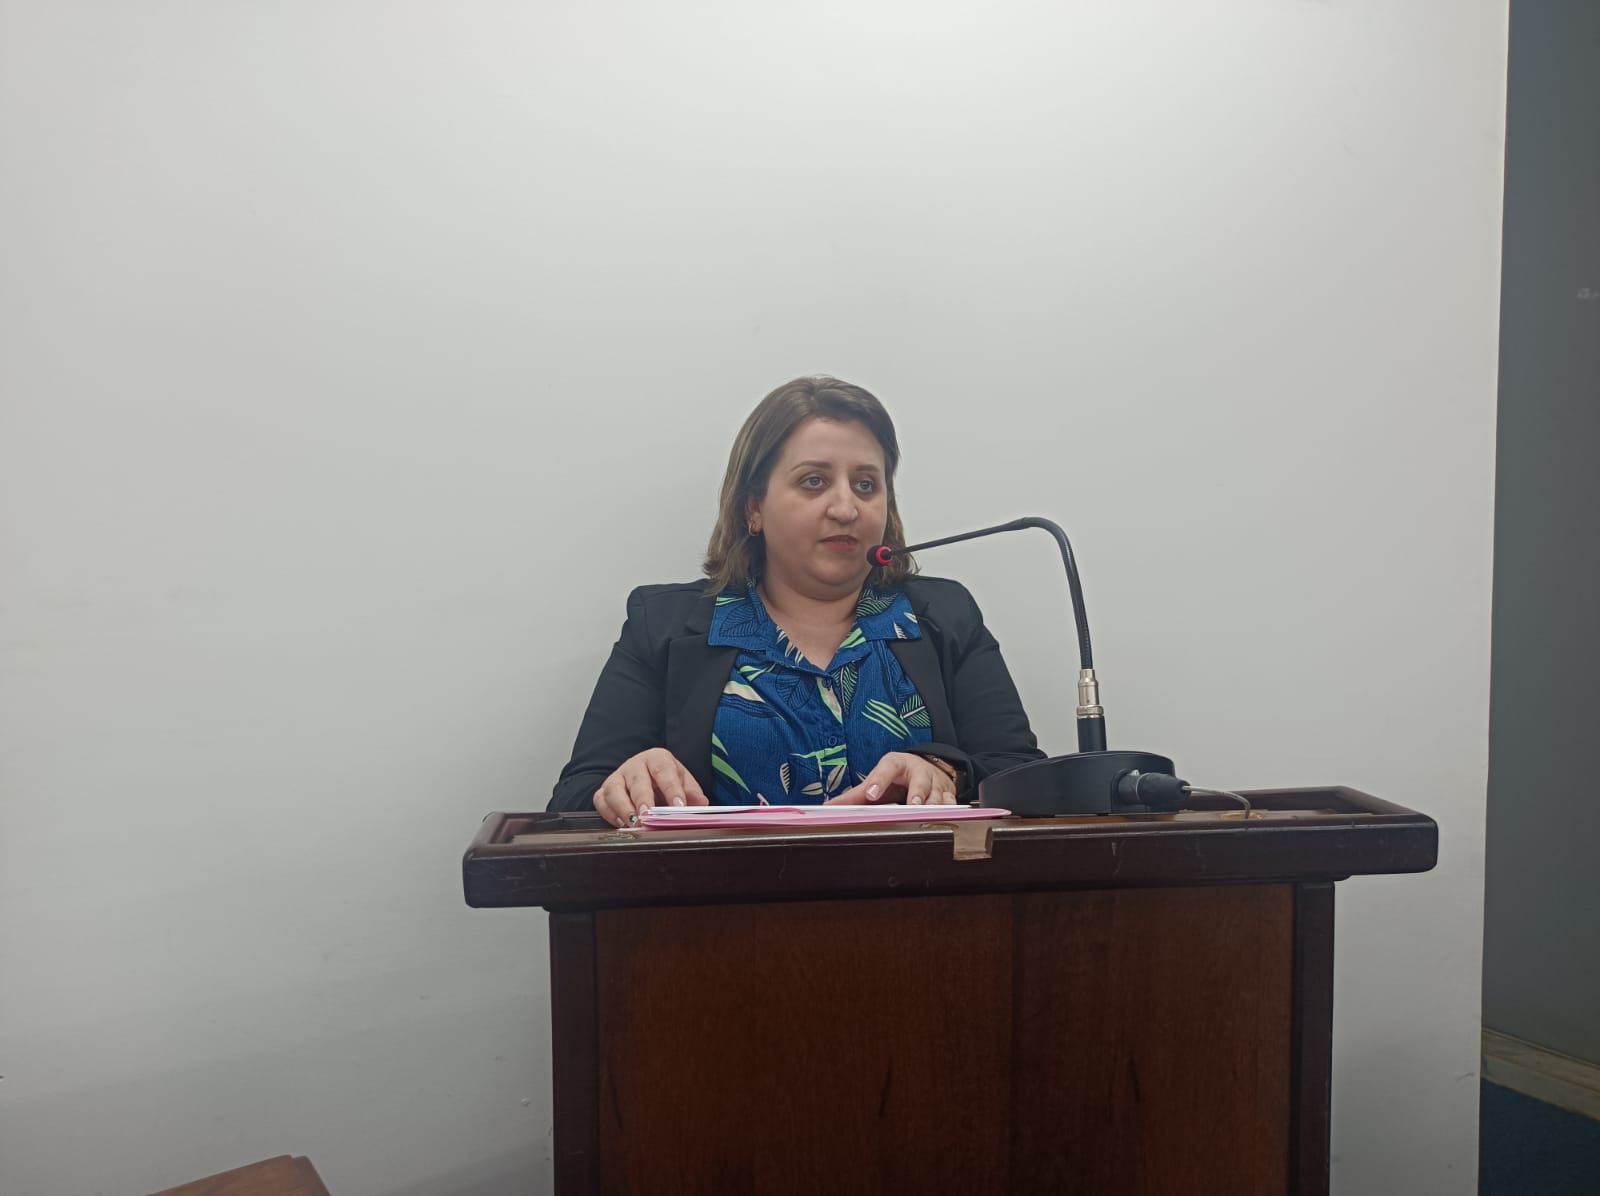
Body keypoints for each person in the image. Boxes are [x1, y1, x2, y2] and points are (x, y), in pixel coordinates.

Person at [551, 375, 1045, 827]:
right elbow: (574, 798)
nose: (846, 507)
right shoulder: (662, 624)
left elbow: (1024, 776)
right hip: (720, 897)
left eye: (866, 485)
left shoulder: (945, 616)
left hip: (925, 895)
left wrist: (943, 770)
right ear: (753, 507)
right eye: (814, 481)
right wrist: (627, 780)